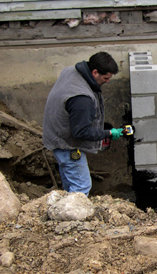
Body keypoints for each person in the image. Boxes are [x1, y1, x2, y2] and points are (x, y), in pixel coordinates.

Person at [42, 51, 123, 196]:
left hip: (55, 136)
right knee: (81, 186)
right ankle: (73, 217)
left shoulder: (71, 71)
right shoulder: (82, 98)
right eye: (105, 78)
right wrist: (109, 133)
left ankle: (64, 211)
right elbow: (80, 132)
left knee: (70, 184)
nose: (108, 81)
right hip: (67, 145)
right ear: (94, 72)